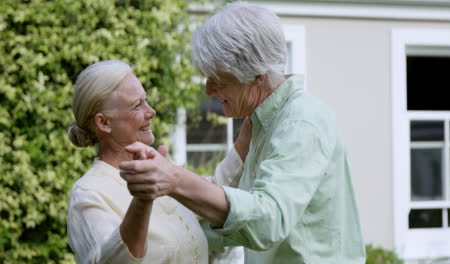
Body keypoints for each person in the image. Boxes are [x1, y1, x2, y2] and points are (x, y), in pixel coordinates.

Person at [119, 2, 366, 264]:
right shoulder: (263, 123)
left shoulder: (300, 122)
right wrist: (152, 225)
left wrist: (175, 180)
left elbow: (268, 221)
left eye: (217, 77)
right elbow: (234, 224)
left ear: (256, 74)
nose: (208, 89)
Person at [67, 60, 211, 264]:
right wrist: (143, 200)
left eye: (146, 100)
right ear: (104, 122)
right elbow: (111, 261)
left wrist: (249, 130)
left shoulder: (158, 171)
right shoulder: (88, 194)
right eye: (137, 105)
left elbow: (210, 196)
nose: (151, 111)